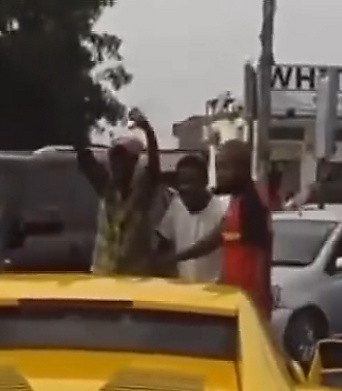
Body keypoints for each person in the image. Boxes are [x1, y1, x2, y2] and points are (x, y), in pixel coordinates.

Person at [173, 140, 272, 317]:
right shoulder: (236, 201)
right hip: (232, 297)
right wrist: (177, 257)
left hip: (248, 303)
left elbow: (262, 256)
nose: (218, 175)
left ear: (242, 168)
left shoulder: (252, 203)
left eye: (224, 168)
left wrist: (259, 304)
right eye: (217, 168)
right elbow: (215, 239)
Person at [75, 110, 164, 275]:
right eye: (113, 158)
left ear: (134, 162)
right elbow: (85, 160)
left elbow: (153, 169)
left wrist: (148, 131)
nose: (116, 164)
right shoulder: (106, 189)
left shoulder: (141, 194)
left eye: (123, 159)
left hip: (135, 275)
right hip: (103, 273)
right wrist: (78, 126)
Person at [156, 154, 227, 282]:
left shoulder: (222, 209)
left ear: (205, 180)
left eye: (192, 181)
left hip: (216, 291)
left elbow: (211, 243)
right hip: (186, 292)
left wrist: (176, 258)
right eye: (182, 182)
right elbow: (163, 243)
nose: (185, 187)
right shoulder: (176, 206)